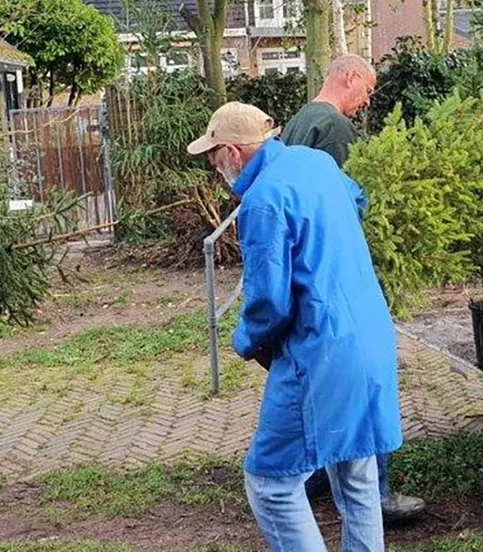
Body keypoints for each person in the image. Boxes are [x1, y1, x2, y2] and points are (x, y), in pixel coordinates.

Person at [188, 103, 402, 551]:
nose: (214, 167)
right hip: (371, 333)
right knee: (357, 474)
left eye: (213, 156)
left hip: (322, 351)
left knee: (271, 483)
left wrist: (245, 341)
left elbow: (270, 302)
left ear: (233, 151)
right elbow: (358, 200)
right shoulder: (316, 162)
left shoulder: (262, 201)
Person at [282, 54, 426, 521]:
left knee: (320, 382)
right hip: (338, 272)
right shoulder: (335, 130)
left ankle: (315, 477)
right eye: (367, 88)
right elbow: (349, 205)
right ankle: (374, 494)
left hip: (304, 271)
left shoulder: (299, 121)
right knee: (366, 381)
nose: (367, 100)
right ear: (348, 77)